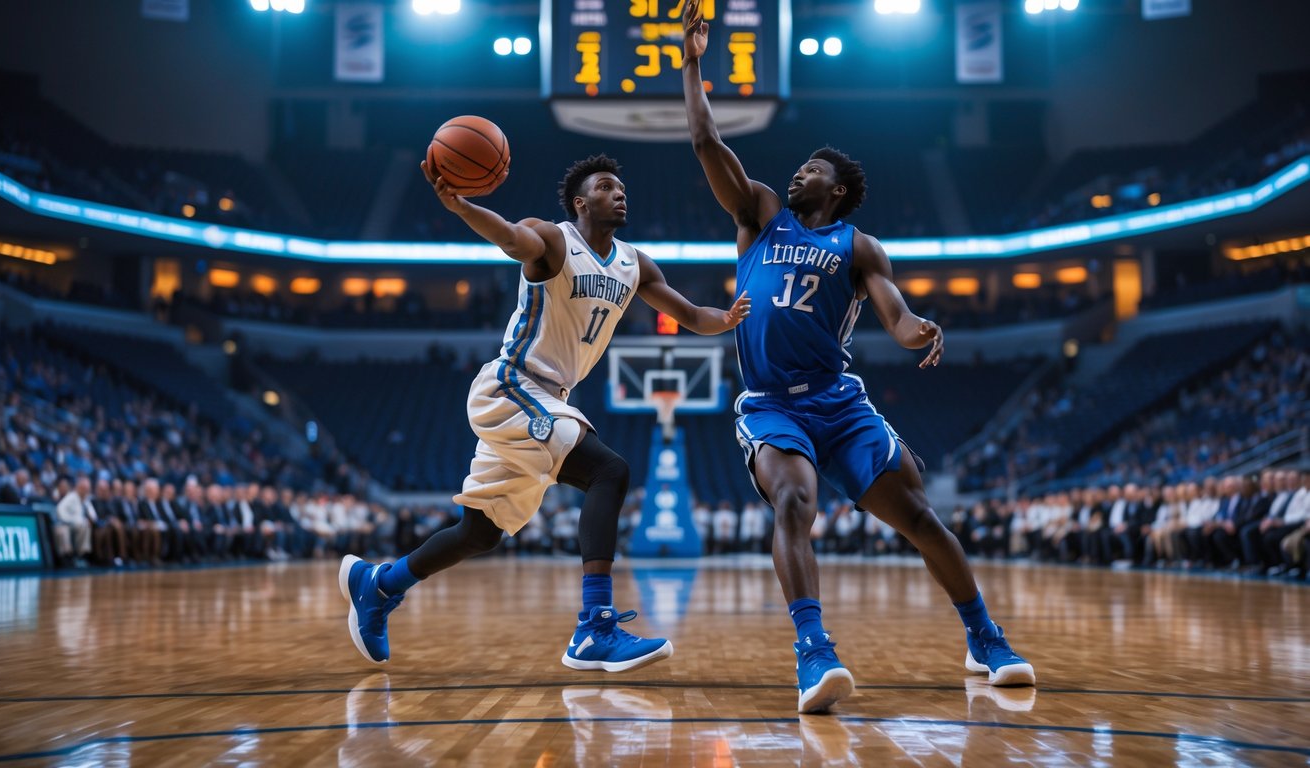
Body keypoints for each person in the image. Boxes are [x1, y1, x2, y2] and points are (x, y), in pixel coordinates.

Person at [680, 0, 1034, 714]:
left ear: (834, 190)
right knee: (791, 501)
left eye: (810, 168)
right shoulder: (758, 216)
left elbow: (895, 318)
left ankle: (983, 636)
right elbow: (705, 141)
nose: (796, 172)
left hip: (837, 402)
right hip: (771, 403)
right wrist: (690, 63)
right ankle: (813, 654)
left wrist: (920, 332)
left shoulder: (859, 245)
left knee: (918, 518)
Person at [340, 152, 751, 671]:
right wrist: (462, 206)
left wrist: (730, 317)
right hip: (512, 385)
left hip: (548, 399)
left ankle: (378, 586)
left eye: (621, 187)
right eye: (606, 186)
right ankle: (594, 628)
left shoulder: (634, 263)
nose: (619, 192)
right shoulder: (554, 240)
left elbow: (691, 315)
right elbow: (512, 238)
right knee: (609, 470)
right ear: (581, 202)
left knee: (481, 531)